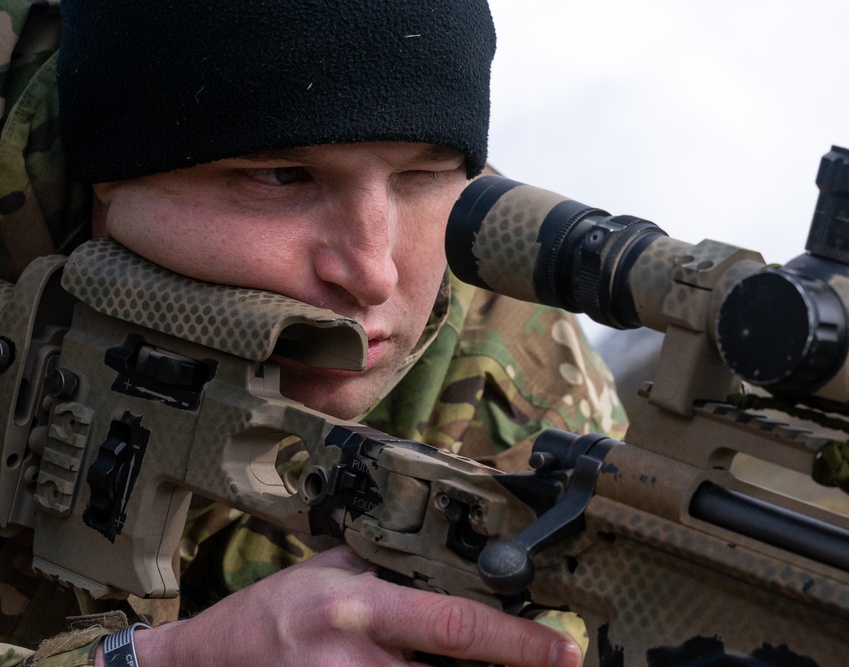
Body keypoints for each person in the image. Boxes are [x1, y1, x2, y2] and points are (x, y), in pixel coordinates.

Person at [0, 1, 628, 666]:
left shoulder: (517, 388)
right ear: (109, 177)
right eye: (281, 175)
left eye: (423, 172)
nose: (373, 272)